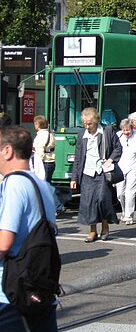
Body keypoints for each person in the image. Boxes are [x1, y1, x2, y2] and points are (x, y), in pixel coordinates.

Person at [0, 126, 58, 331]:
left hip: (11, 295)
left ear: (8, 151)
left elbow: (4, 243)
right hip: (39, 289)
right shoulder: (40, 183)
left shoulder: (14, 183)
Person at [70, 107, 122, 243]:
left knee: (103, 200)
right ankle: (92, 231)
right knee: (89, 203)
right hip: (87, 172)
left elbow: (118, 148)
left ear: (97, 121)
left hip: (102, 172)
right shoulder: (82, 134)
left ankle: (105, 227)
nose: (87, 126)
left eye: (90, 124)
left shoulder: (107, 130)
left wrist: (110, 159)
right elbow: (78, 157)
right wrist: (74, 177)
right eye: (85, 123)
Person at [115, 119, 136, 225]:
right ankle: (124, 211)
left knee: (130, 193)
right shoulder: (118, 136)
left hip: (133, 168)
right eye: (124, 130)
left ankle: (129, 216)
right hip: (120, 168)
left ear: (132, 128)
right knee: (120, 194)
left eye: (128, 130)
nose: (126, 132)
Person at [32, 116, 56, 183]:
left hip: (43, 163)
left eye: (35, 123)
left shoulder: (40, 136)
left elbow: (40, 151)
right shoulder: (51, 134)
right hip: (51, 162)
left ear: (38, 125)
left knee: (42, 184)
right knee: (48, 183)